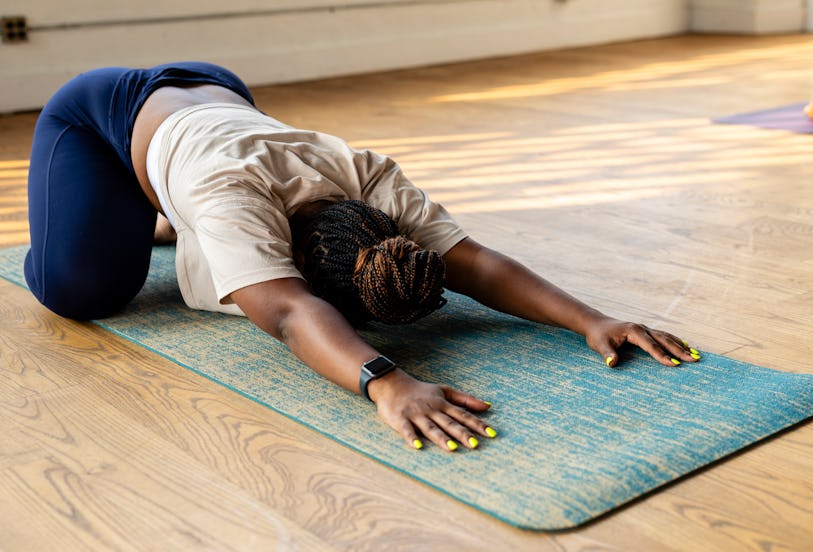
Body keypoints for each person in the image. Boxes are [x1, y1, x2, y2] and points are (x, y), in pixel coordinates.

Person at [25, 62, 701, 453]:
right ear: (291, 250)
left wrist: (591, 321)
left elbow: (476, 263)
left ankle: (172, 223)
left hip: (217, 89)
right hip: (101, 112)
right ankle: (117, 217)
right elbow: (290, 312)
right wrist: (386, 381)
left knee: (227, 260)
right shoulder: (232, 194)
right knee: (83, 291)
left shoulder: (368, 176)